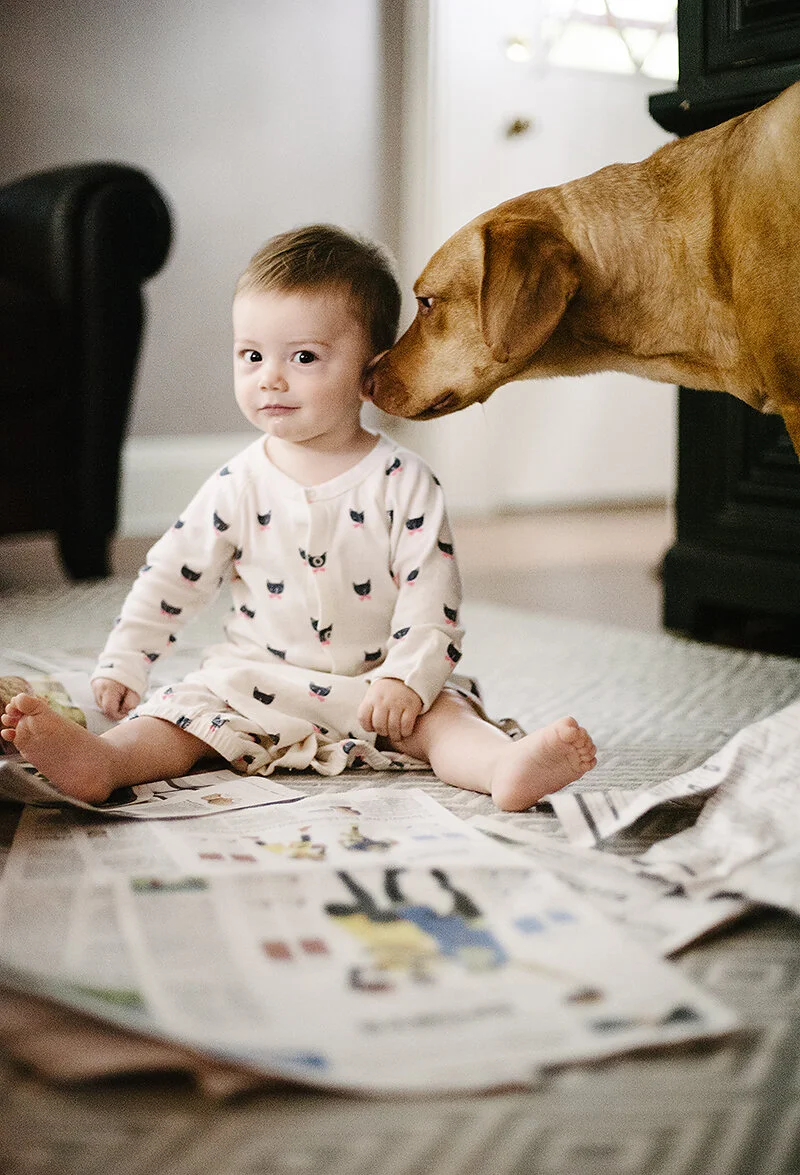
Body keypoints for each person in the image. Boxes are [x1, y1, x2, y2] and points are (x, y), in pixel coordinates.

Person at [1, 225, 596, 811]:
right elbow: (171, 577)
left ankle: (502, 768)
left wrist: (406, 677)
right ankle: (106, 762)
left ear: (373, 370)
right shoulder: (237, 483)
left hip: (378, 686)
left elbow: (431, 598)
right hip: (256, 680)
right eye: (252, 355)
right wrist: (128, 658)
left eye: (304, 357)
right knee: (178, 717)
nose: (270, 378)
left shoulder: (404, 481)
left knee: (447, 721)